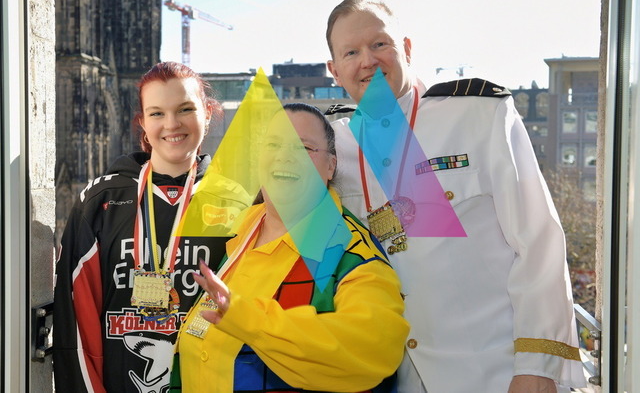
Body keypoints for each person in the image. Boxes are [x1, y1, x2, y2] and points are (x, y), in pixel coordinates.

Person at [325, 0, 586, 393]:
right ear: (334, 70)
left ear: (406, 48)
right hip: (392, 378)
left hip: (497, 374)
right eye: (351, 52)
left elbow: (538, 241)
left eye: (379, 44)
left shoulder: (477, 114)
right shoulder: (329, 146)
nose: (368, 61)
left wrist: (538, 365)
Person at [175, 103, 409, 392]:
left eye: (304, 148)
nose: (285, 156)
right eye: (273, 145)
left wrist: (249, 320)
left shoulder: (348, 252)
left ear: (331, 166)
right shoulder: (236, 231)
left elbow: (375, 347)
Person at [53, 61, 250, 392]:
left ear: (207, 113)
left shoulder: (239, 204)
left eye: (185, 109)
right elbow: (75, 320)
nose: (172, 123)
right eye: (157, 113)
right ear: (143, 123)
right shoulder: (102, 200)